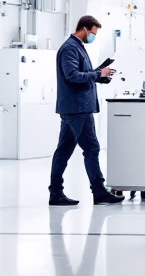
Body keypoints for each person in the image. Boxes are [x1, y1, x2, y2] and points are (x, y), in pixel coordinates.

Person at [48, 15, 123, 206]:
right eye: (93, 33)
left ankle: (56, 192)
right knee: (91, 148)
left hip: (76, 108)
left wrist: (101, 75)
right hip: (77, 109)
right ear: (84, 29)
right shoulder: (70, 48)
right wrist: (98, 73)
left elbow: (82, 74)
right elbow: (72, 76)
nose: (93, 36)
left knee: (64, 150)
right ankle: (98, 192)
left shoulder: (77, 47)